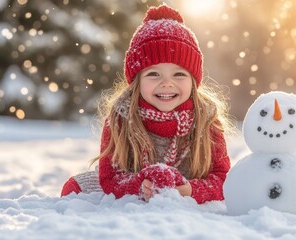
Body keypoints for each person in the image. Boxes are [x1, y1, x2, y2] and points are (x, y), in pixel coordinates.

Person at [60, 4, 233, 204]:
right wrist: (139, 185)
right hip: (134, 181)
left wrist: (187, 190)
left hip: (188, 184)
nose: (167, 83)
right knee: (74, 187)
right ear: (137, 80)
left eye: (179, 74)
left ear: (193, 81)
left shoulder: (207, 119)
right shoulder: (121, 118)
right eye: (153, 74)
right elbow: (110, 178)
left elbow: (223, 179)